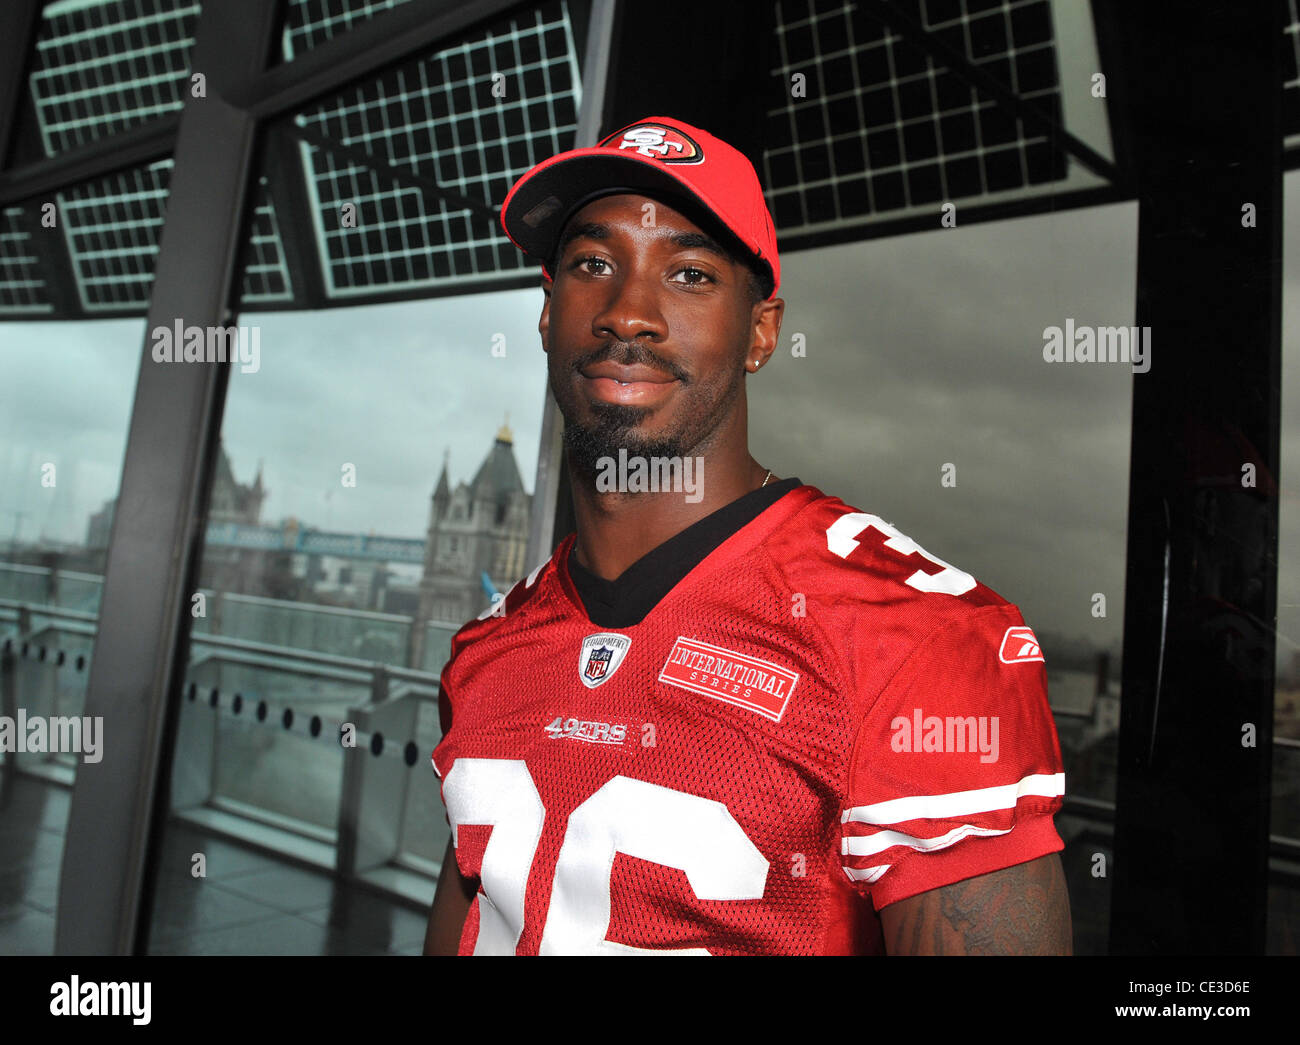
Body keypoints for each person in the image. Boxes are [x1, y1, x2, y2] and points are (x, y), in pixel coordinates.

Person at [422, 116, 1071, 955]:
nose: (629, 313)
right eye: (593, 263)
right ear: (548, 315)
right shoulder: (492, 646)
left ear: (761, 332)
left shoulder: (917, 643)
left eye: (689, 273)